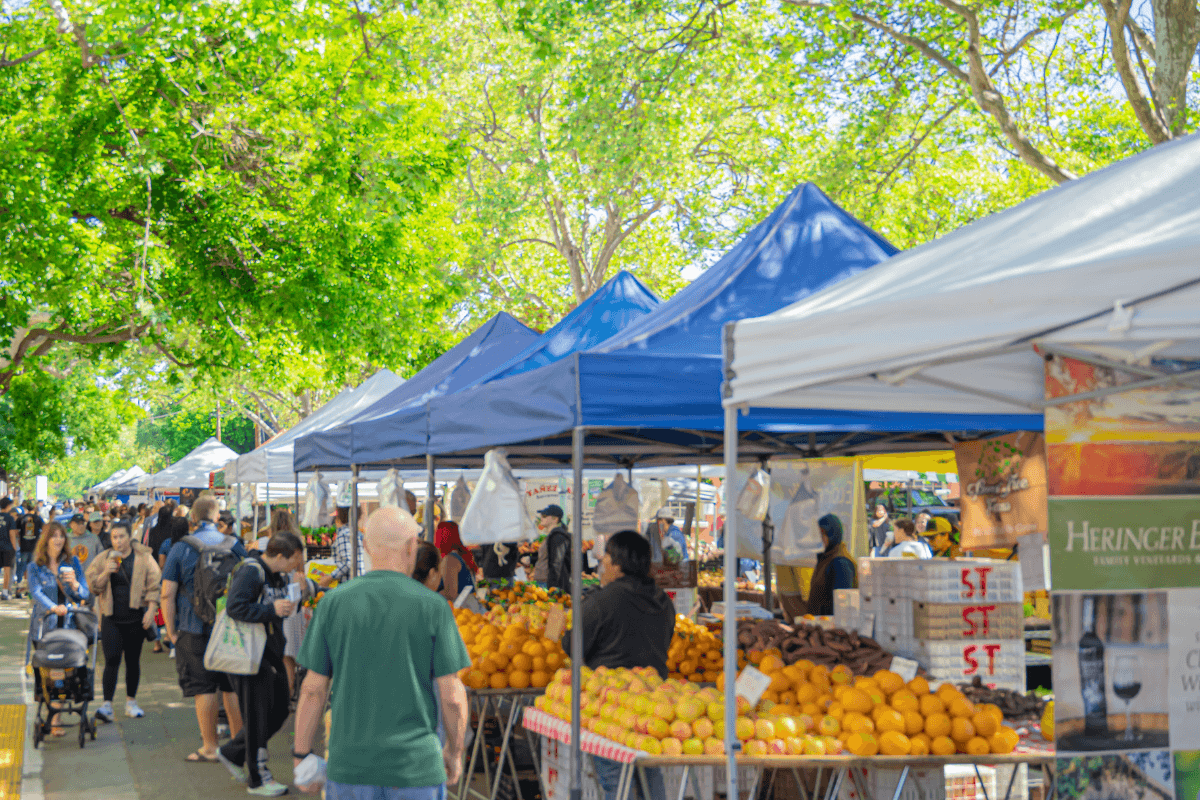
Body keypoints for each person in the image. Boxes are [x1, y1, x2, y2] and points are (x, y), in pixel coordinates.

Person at [294, 507, 469, 798]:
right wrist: (454, 749)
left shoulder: (332, 603)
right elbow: (451, 695)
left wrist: (301, 754)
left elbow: (313, 689)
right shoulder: (433, 607)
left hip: (350, 765)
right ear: (413, 545)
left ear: (364, 545)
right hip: (416, 767)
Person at [552, 531, 673, 800]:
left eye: (605, 556)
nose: (601, 563)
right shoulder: (663, 600)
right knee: (650, 774)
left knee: (616, 782)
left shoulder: (603, 600)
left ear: (618, 563)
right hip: (655, 701)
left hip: (613, 704)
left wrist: (564, 634)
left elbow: (575, 647)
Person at [216, 531, 305, 797]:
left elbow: (282, 607)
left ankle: (233, 751)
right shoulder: (252, 571)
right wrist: (271, 610)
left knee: (278, 710)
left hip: (270, 652)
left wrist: (293, 600)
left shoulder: (277, 575)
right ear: (279, 556)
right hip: (249, 655)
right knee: (257, 716)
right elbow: (235, 607)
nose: (296, 567)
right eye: (295, 561)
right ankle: (257, 778)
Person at [161, 496, 246, 763]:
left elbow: (167, 594)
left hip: (192, 625)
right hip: (230, 627)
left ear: (193, 518)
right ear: (218, 515)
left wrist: (172, 631)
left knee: (203, 688)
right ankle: (238, 744)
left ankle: (210, 747)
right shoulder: (235, 545)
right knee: (231, 687)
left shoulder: (180, 548)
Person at [85, 522, 161, 722]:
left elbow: (155, 585)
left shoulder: (144, 557)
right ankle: (107, 705)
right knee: (111, 660)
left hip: (135, 618)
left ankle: (131, 702)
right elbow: (93, 586)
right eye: (114, 537)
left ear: (130, 537)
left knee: (133, 661)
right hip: (111, 617)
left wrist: (151, 610)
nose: (118, 541)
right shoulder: (103, 558)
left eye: (122, 536)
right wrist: (106, 572)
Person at [26, 521, 92, 736]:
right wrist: (53, 607)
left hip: (70, 625)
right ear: (46, 539)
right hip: (46, 624)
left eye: (61, 535)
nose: (58, 539)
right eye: (54, 535)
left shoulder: (72, 562)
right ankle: (53, 716)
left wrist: (74, 585)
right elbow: (35, 593)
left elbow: (84, 593)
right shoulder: (35, 565)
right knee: (50, 671)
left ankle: (56, 717)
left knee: (67, 669)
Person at [805, 514, 857, 616]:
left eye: (823, 534)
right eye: (816, 534)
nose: (818, 539)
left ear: (833, 534)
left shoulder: (841, 563)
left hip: (833, 627)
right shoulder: (825, 557)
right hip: (821, 625)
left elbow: (842, 605)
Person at [322, 507, 365, 587]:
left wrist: (330, 577)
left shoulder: (344, 534)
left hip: (348, 585)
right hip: (359, 582)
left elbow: (348, 563)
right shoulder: (357, 534)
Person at [434, 521, 477, 601]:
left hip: (460, 610)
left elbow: (450, 595)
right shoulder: (462, 556)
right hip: (468, 608)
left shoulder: (450, 560)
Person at [532, 504, 570, 593]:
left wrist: (552, 587)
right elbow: (548, 557)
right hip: (543, 581)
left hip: (547, 583)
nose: (541, 518)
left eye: (545, 516)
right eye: (541, 515)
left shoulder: (557, 536)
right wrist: (531, 559)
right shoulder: (552, 535)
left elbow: (556, 563)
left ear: (555, 519)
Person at [16, 499, 44, 595]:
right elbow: (45, 530)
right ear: (35, 507)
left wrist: (20, 541)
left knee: (22, 568)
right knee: (32, 568)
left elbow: (16, 532)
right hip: (34, 548)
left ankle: (19, 587)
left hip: (23, 547)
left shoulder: (21, 518)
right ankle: (30, 588)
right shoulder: (38, 518)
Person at [0, 497, 17, 600]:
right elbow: (12, 535)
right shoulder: (10, 518)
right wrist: (14, 548)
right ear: (8, 506)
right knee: (7, 570)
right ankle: (5, 592)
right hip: (7, 547)